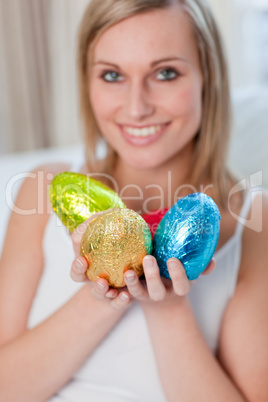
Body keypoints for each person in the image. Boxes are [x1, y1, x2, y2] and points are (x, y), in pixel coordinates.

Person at [0, 0, 267, 401]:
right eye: (112, 75)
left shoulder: (253, 220)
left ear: (208, 79)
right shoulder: (41, 190)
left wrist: (167, 308)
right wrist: (105, 294)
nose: (136, 107)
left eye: (165, 73)